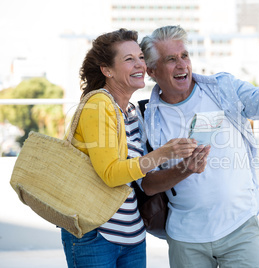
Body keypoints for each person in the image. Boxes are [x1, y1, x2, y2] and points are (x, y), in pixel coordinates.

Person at [139, 25, 259, 268]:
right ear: (151, 70)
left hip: (240, 228)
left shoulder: (223, 88)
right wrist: (186, 169)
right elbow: (147, 185)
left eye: (185, 56)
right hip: (186, 239)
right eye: (171, 59)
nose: (182, 65)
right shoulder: (146, 117)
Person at [61, 28, 200, 268]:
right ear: (107, 70)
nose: (140, 65)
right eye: (129, 59)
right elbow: (111, 174)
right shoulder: (98, 105)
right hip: (96, 234)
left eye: (141, 58)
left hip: (132, 235)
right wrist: (162, 154)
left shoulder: (132, 113)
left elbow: (138, 176)